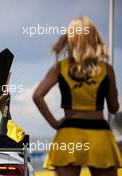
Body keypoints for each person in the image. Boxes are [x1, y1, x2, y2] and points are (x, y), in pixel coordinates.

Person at [33, 16, 122, 176]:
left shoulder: (60, 67)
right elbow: (114, 108)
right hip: (99, 135)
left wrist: (54, 123)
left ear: (70, 39)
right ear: (94, 38)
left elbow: (37, 96)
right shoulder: (106, 69)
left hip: (69, 133)